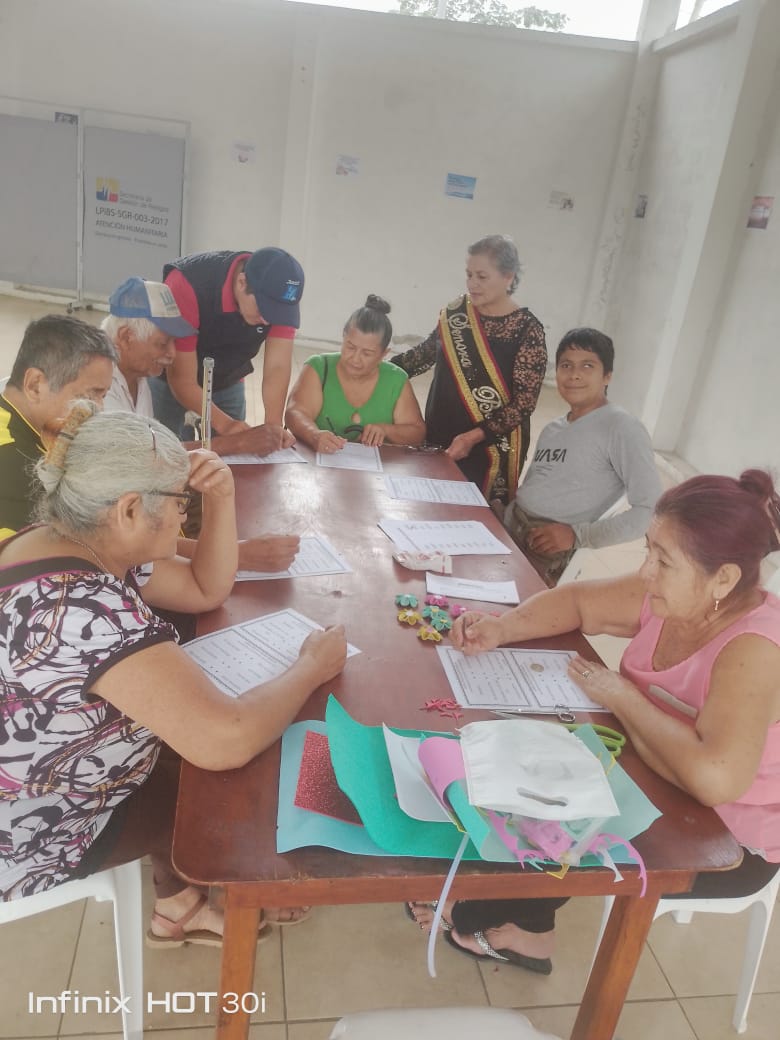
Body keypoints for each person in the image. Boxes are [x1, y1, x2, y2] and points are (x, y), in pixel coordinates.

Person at [0, 402, 346, 944]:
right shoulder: (78, 610)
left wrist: (221, 497)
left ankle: (177, 904)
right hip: (36, 826)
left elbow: (206, 588)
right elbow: (225, 740)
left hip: (48, 772)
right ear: (129, 509)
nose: (185, 516)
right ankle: (236, 892)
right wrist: (310, 666)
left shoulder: (71, 537)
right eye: (180, 502)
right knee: (234, 786)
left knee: (204, 741)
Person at [407, 470, 780, 973]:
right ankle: (517, 914)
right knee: (528, 775)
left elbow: (714, 781)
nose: (646, 573)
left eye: (663, 561)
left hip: (723, 840)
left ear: (725, 579)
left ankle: (490, 916)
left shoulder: (754, 648)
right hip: (655, 777)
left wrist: (624, 699)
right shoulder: (676, 597)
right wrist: (502, 627)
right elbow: (579, 602)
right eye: (648, 550)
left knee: (556, 824)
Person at [103, 277, 300, 573]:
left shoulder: (137, 376)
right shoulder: (99, 389)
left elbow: (153, 452)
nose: (172, 354)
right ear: (126, 337)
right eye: (162, 343)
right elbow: (142, 469)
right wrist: (237, 555)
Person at [392, 235, 547, 506]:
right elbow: (423, 355)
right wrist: (377, 369)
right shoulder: (457, 314)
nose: (472, 283)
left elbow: (524, 403)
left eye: (482, 277)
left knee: (472, 516)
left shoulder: (527, 330)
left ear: (508, 277)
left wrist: (473, 437)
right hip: (441, 435)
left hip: (490, 449)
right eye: (469, 275)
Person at [505, 327, 661, 585]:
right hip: (511, 524)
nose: (574, 374)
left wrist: (577, 535)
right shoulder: (553, 428)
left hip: (545, 547)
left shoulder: (621, 428)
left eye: (587, 366)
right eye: (566, 365)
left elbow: (650, 512)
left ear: (607, 376)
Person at [150, 247, 304, 453]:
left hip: (228, 377)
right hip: (170, 379)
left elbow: (277, 367)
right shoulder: (187, 284)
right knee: (167, 452)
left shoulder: (280, 300)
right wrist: (227, 425)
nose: (268, 320)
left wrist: (273, 427)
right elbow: (182, 380)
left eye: (276, 314)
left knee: (232, 457)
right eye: (264, 310)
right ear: (242, 283)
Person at [0, 315, 116, 542]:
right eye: (90, 395)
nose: (99, 409)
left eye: (103, 396)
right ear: (35, 385)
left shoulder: (34, 429)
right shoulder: (14, 462)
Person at [285, 295, 426, 452]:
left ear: (384, 353)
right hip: (318, 462)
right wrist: (314, 435)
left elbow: (417, 432)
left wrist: (386, 430)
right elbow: (295, 413)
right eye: (350, 347)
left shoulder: (396, 380)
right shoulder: (319, 367)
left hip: (374, 467)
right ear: (343, 337)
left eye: (367, 353)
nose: (355, 359)